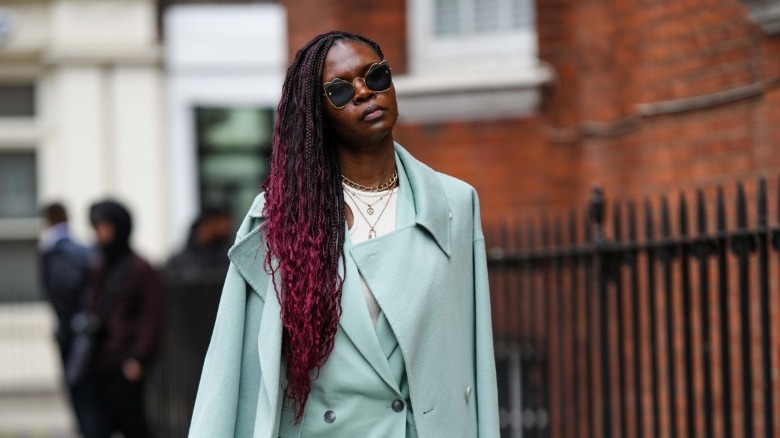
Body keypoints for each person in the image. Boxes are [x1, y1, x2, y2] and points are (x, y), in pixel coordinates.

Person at [190, 31, 499, 437]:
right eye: (339, 90)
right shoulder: (280, 217)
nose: (364, 93)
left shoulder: (454, 204)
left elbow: (474, 355)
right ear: (316, 114)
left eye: (376, 77)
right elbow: (232, 365)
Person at [77, 199, 166, 438]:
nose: (100, 233)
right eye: (97, 227)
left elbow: (151, 317)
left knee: (134, 427)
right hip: (98, 363)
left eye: (105, 226)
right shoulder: (99, 266)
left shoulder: (140, 268)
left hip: (124, 365)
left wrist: (138, 358)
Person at [39, 202, 93, 432]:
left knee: (77, 386)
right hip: (81, 326)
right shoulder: (81, 249)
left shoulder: (57, 252)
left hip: (71, 329)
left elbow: (62, 293)